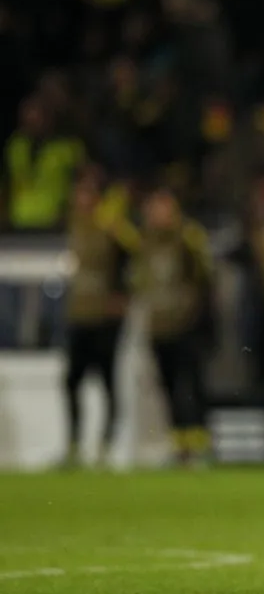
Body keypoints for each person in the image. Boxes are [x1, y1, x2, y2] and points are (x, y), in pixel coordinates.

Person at [63, 165, 139, 467]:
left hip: (106, 317)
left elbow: (134, 256)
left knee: (108, 382)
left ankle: (106, 447)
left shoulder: (112, 225)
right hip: (79, 314)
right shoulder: (76, 225)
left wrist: (122, 296)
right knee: (71, 381)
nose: (82, 198)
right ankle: (73, 444)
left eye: (87, 192)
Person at [133, 187, 215, 466]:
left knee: (191, 385)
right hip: (159, 327)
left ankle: (201, 445)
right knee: (168, 387)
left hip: (187, 325)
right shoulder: (145, 243)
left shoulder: (188, 238)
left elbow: (205, 278)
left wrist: (199, 316)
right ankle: (180, 447)